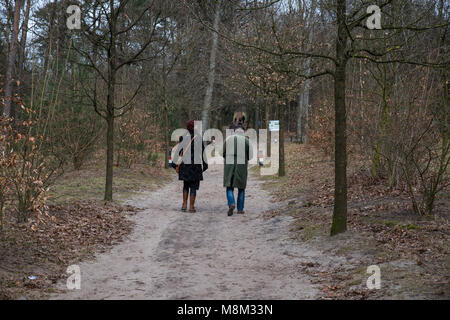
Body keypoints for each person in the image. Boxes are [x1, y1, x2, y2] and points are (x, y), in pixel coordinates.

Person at [172, 120, 208, 212]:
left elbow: (178, 151)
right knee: (193, 186)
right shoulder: (199, 138)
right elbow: (202, 152)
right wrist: (205, 164)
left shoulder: (183, 137)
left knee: (186, 185)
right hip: (195, 166)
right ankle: (191, 207)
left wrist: (174, 163)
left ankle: (184, 205)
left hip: (185, 165)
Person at [223, 122, 252, 216]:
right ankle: (240, 209)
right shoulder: (246, 141)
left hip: (229, 165)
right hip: (241, 166)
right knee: (241, 188)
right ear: (243, 132)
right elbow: (250, 155)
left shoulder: (228, 139)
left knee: (229, 186)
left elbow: (222, 152)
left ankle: (231, 203)